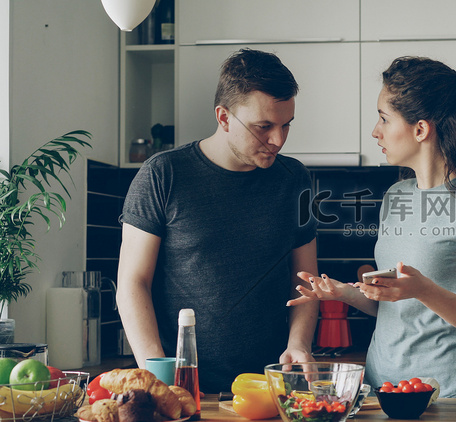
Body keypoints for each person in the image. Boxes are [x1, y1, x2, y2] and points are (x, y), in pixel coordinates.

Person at [289, 56, 456, 398]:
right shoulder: (396, 196)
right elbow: (396, 304)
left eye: (384, 119)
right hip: (380, 388)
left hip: (449, 393)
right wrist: (344, 292)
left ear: (420, 129)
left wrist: (424, 289)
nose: (376, 131)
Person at [117, 48, 319, 393]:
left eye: (286, 125)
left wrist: (299, 343)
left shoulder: (294, 179)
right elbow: (132, 284)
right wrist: (158, 379)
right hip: (186, 387)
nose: (278, 140)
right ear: (223, 117)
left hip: (269, 388)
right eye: (264, 127)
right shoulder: (163, 174)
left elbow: (305, 280)